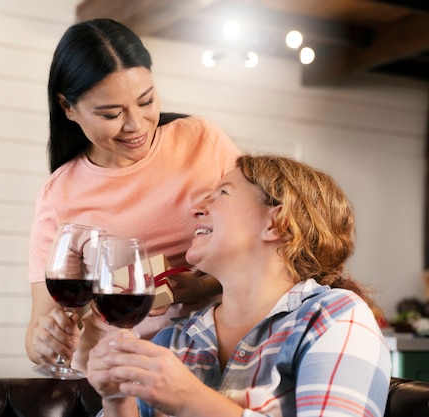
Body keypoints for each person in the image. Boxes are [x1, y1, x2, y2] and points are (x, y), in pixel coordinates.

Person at [87, 154, 392, 417]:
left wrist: (187, 399)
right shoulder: (172, 340)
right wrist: (117, 401)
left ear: (276, 223)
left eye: (222, 193)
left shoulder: (334, 318)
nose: (196, 209)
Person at [25, 18, 242, 373]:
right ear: (67, 107)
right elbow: (40, 328)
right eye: (111, 113)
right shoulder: (58, 194)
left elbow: (269, 247)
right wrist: (45, 339)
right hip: (118, 370)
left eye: (146, 101)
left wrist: (202, 287)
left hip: (214, 354)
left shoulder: (203, 140)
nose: (136, 125)